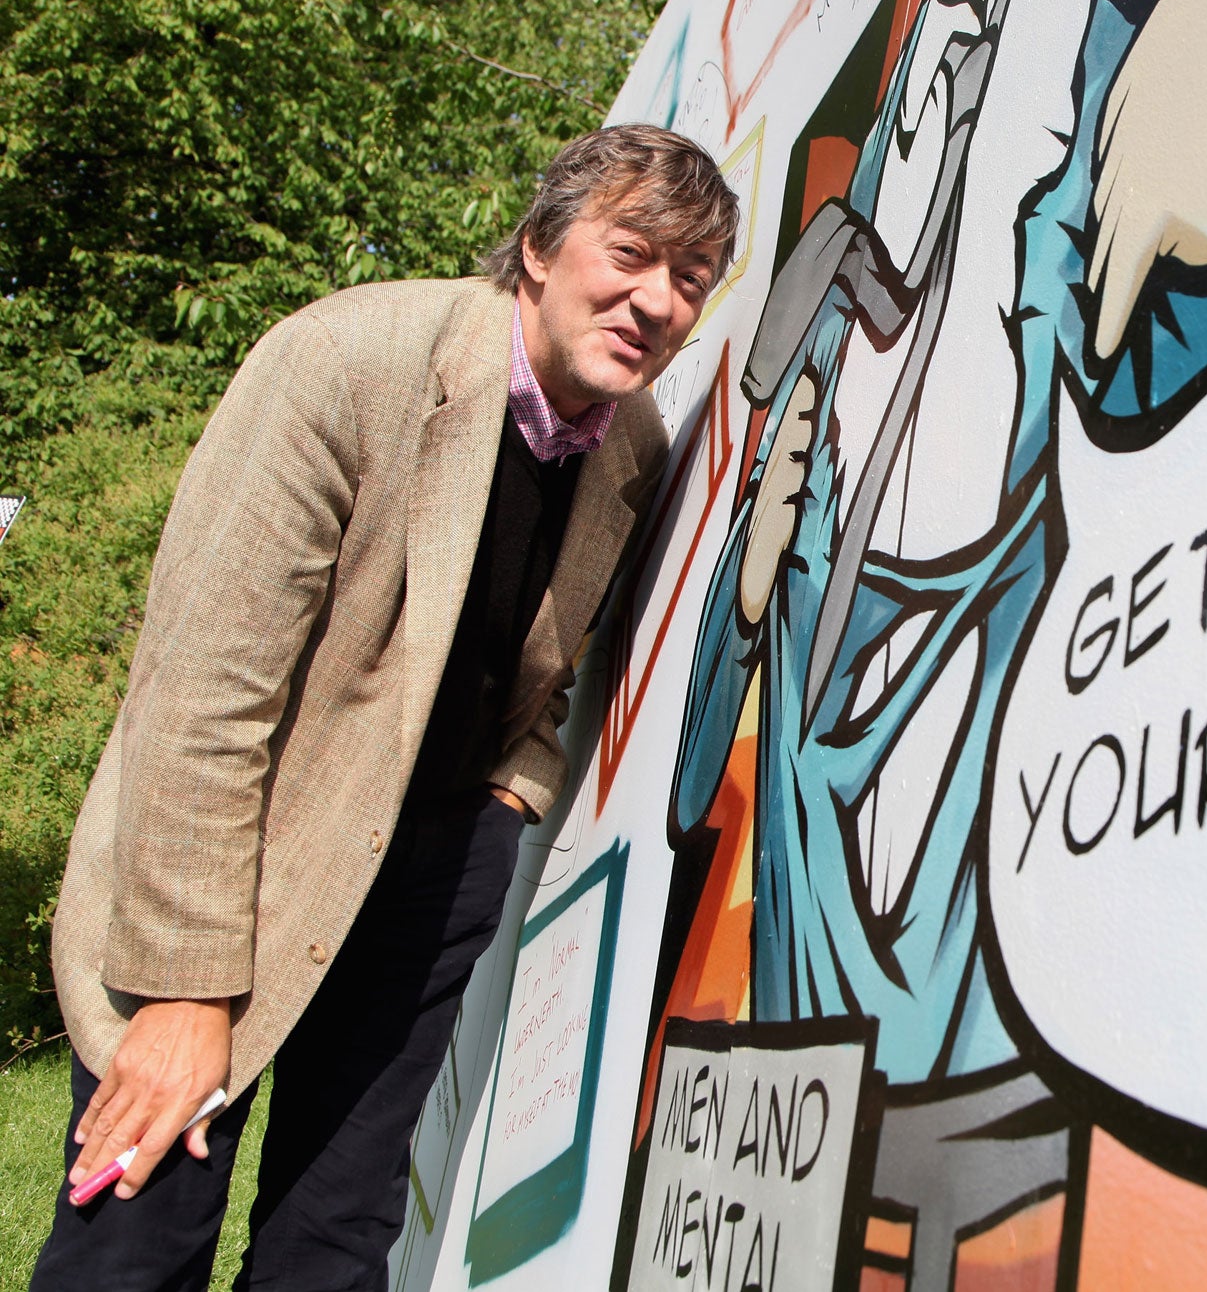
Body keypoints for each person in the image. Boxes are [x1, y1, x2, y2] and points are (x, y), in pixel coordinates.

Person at [31, 123, 739, 1291]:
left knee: (339, 1237)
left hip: (435, 866)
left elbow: (556, 664)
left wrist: (515, 794)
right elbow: (202, 699)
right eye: (630, 254)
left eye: (689, 280)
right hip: (243, 850)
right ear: (538, 249)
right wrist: (183, 990)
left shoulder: (632, 443)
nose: (655, 299)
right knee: (140, 1226)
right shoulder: (347, 362)